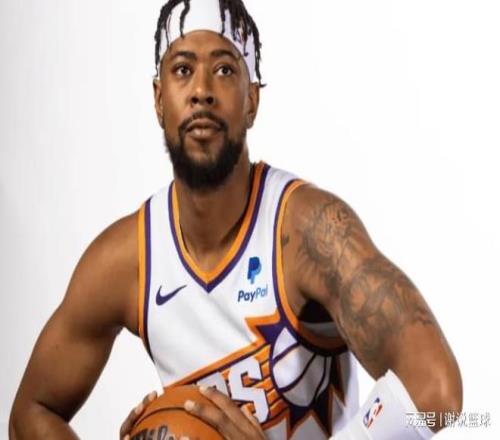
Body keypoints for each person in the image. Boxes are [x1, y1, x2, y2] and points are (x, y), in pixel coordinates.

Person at [9, 0, 462, 439]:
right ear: (158, 99)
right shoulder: (127, 262)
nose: (201, 90)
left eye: (224, 69)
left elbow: (438, 392)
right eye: (182, 69)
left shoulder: (309, 231)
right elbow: (31, 413)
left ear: (251, 101)